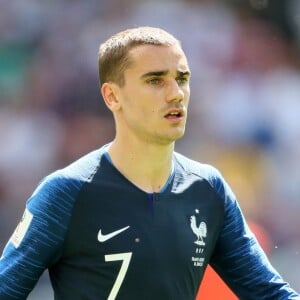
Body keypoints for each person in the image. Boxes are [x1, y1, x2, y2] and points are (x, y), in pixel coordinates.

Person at [0, 26, 299, 300]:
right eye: (155, 80)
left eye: (182, 79)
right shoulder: (67, 192)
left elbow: (268, 292)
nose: (175, 94)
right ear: (112, 96)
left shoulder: (208, 190)